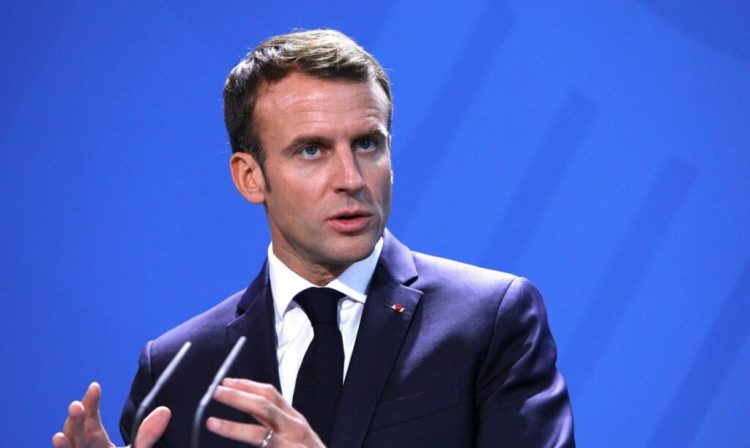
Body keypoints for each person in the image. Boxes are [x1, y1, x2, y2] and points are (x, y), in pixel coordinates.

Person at [53, 29, 574, 447]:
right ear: (249, 177)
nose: (351, 177)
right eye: (312, 150)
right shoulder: (177, 367)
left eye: (368, 143)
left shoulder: (489, 321)